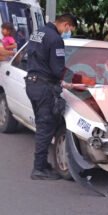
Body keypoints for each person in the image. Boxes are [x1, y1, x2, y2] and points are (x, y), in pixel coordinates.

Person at [25, 14, 78, 180]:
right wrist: (78, 80)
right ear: (66, 24)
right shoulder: (55, 39)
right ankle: (38, 169)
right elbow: (58, 70)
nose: (67, 33)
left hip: (33, 84)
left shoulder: (38, 32)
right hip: (44, 87)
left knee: (44, 125)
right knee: (45, 127)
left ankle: (43, 164)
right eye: (69, 29)